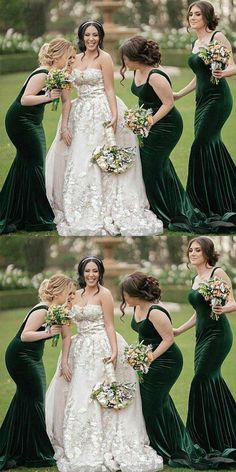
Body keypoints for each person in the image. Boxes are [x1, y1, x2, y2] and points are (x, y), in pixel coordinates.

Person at [45, 256, 163, 472]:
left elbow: (109, 325)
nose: (91, 275)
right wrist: (64, 360)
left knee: (103, 393)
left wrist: (115, 351)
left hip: (102, 348)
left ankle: (110, 441)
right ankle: (82, 441)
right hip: (79, 351)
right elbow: (67, 333)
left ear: (100, 273)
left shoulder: (105, 294)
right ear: (81, 273)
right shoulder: (74, 295)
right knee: (80, 395)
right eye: (87, 271)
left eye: (95, 271)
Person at [45, 21, 163, 236]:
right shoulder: (75, 59)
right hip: (79, 114)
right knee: (80, 159)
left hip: (102, 111)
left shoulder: (105, 58)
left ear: (100, 37)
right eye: (87, 35)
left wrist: (115, 115)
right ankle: (82, 205)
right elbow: (67, 96)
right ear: (82, 37)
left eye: (95, 35)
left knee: (103, 157)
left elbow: (109, 88)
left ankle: (110, 205)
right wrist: (64, 125)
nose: (91, 39)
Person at [120, 35, 236, 233]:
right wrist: (137, 119)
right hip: (149, 125)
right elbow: (145, 100)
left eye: (125, 58)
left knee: (152, 169)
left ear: (137, 57)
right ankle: (167, 207)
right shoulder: (138, 71)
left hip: (166, 126)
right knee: (157, 168)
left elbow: (168, 103)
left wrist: (150, 121)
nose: (123, 62)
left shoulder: (155, 75)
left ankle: (169, 211)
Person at [120, 271, 236, 469]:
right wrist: (138, 354)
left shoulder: (155, 311)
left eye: (126, 294)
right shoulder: (137, 307)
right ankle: (169, 443)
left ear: (137, 293)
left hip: (166, 362)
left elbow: (168, 339)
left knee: (152, 406)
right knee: (157, 405)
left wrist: (150, 357)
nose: (124, 298)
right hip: (148, 361)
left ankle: (169, 447)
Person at [0, 274, 75, 470]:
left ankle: (17, 448)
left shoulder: (51, 308)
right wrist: (49, 333)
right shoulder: (42, 309)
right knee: (36, 401)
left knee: (26, 400)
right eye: (68, 293)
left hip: (32, 357)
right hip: (21, 357)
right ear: (58, 292)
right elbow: (25, 335)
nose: (69, 297)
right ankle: (37, 453)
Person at [0, 38, 74, 235]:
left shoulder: (52, 73)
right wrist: (49, 97)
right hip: (21, 121)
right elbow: (25, 99)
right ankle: (37, 217)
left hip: (32, 121)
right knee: (36, 164)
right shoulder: (42, 73)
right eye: (67, 57)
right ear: (58, 56)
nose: (68, 61)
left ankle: (17, 213)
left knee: (25, 164)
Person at [174, 1, 236, 228]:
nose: (192, 17)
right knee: (211, 144)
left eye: (197, 14)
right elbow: (199, 75)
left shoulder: (217, 37)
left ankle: (204, 201)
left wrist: (222, 71)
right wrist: (180, 93)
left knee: (200, 143)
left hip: (218, 99)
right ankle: (225, 197)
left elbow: (233, 66)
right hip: (201, 100)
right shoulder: (195, 42)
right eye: (190, 14)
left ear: (207, 16)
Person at [174, 237, 236, 457]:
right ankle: (225, 432)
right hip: (202, 336)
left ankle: (205, 437)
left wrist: (223, 309)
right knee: (211, 380)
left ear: (207, 253)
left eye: (197, 250)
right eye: (190, 250)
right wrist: (179, 330)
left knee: (201, 379)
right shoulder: (195, 278)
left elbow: (233, 302)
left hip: (218, 334)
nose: (192, 253)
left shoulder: (217, 273)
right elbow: (198, 312)